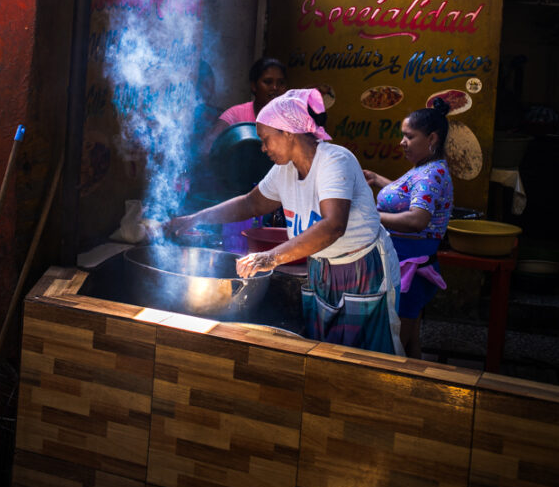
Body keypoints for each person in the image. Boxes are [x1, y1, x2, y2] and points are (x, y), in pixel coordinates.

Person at [168, 88, 403, 355]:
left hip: (362, 266)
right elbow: (249, 203)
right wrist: (195, 219)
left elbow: (333, 226)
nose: (263, 148)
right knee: (327, 351)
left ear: (288, 132)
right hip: (322, 268)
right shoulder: (284, 171)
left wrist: (271, 257)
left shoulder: (334, 160)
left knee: (373, 355)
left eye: (266, 139)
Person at [363, 97, 453, 359]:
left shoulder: (430, 173)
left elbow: (417, 219)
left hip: (409, 270)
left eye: (409, 136)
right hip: (406, 265)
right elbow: (413, 197)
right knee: (410, 344)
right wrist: (379, 179)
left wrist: (372, 216)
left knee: (394, 349)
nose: (402, 142)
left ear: (432, 139)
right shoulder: (426, 168)